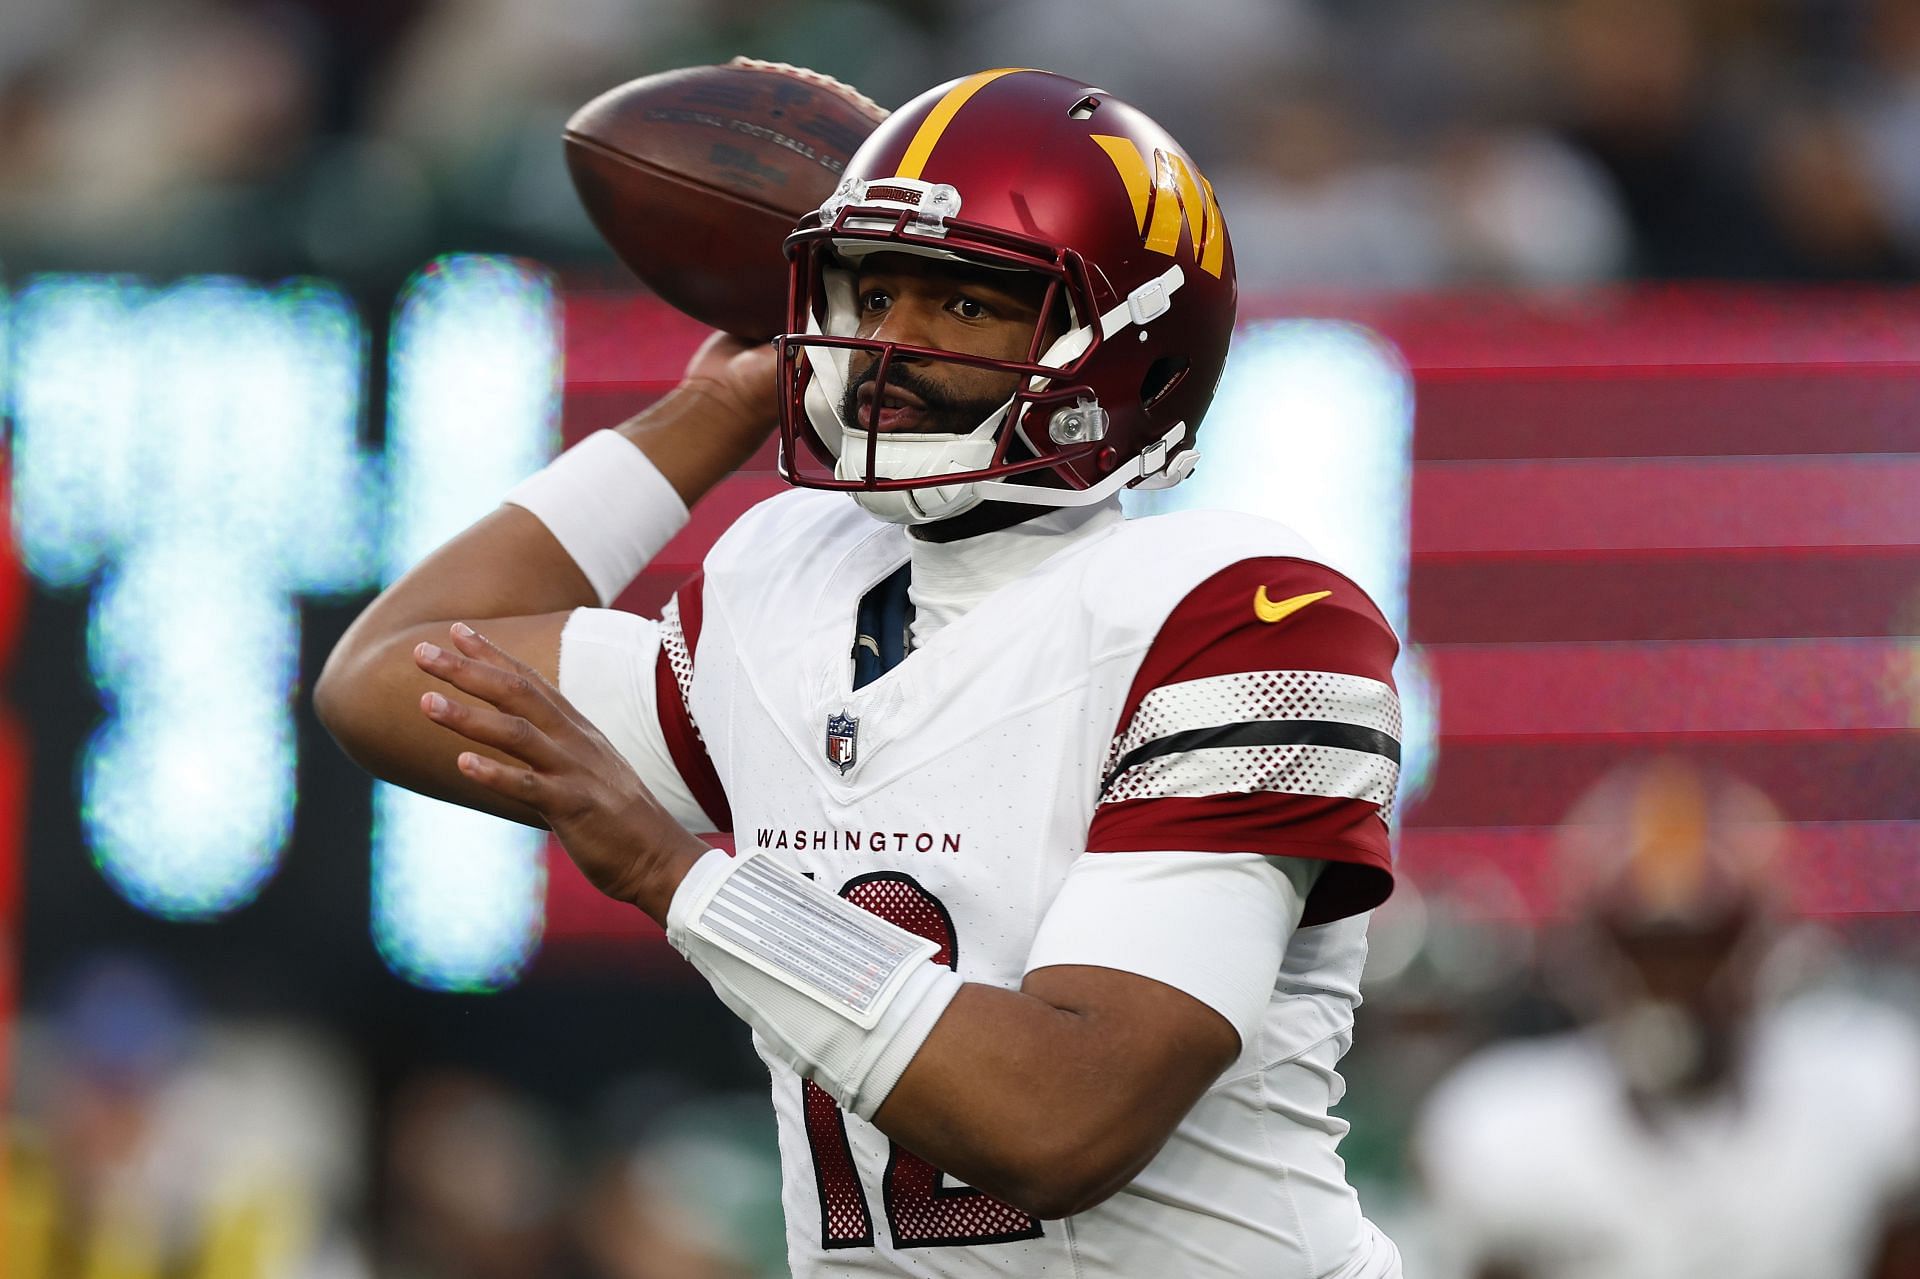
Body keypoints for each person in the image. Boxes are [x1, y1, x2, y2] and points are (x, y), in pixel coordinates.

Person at [318, 67, 1405, 1279]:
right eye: (870, 290)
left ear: (1131, 343)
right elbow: (383, 676)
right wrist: (702, 417)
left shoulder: (1245, 617)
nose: (885, 345)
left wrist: (682, 878)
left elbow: (1059, 1122)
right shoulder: (788, 587)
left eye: (966, 303)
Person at [1414, 758, 1920, 1279]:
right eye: (1648, 946)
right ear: (1592, 948)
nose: (1674, 979)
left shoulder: (1868, 1084)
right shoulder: (1502, 1123)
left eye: (1703, 944)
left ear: (1760, 943)